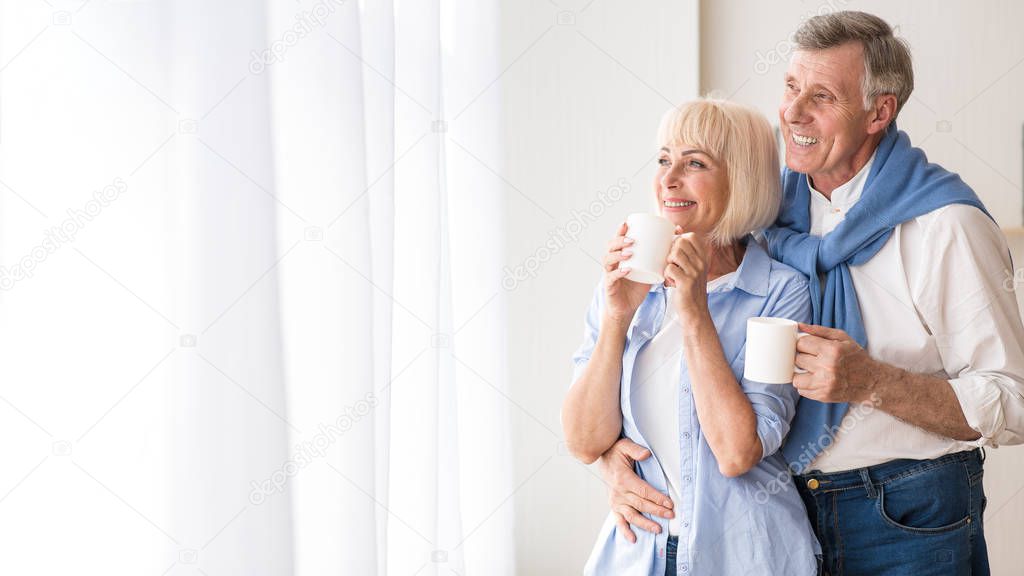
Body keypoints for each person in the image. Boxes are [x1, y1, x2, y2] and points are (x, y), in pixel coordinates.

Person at [595, 11, 1024, 575]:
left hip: (907, 514)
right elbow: (675, 357)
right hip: (780, 514)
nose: (793, 113)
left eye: (822, 96)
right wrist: (612, 461)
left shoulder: (946, 226)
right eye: (791, 87)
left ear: (879, 111)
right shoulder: (765, 205)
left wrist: (872, 383)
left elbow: (1013, 403)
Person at [562, 99, 819, 575]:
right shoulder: (625, 288)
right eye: (664, 159)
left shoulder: (780, 292)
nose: (668, 179)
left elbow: (739, 451)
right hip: (640, 553)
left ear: (739, 180)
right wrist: (617, 316)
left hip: (746, 556)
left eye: (694, 162)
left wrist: (694, 311)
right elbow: (582, 440)